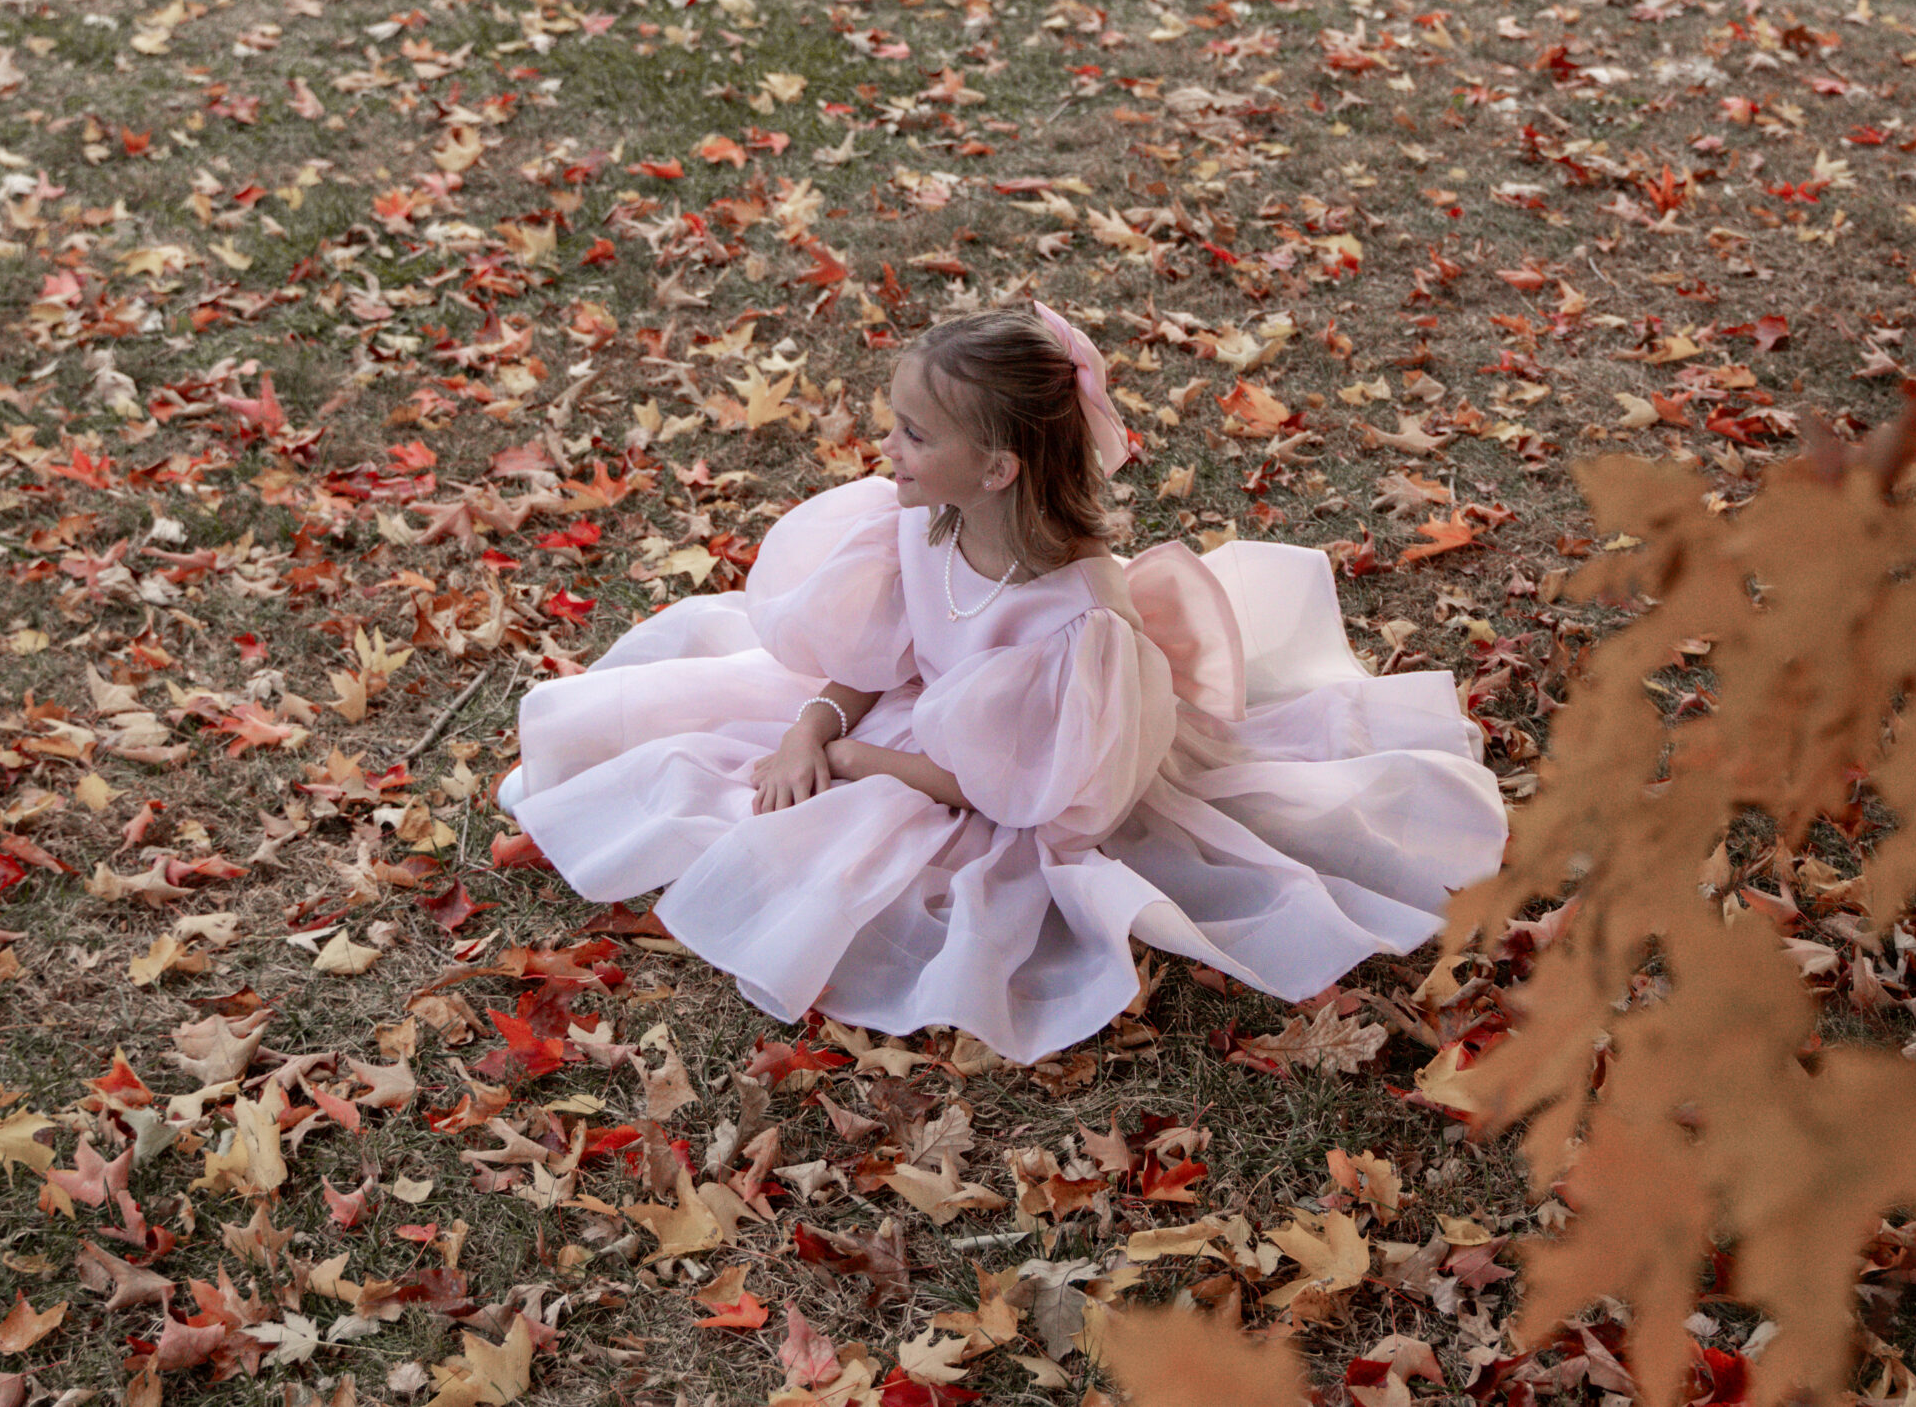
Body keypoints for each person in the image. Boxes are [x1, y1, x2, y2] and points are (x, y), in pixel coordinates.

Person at [494, 301, 1508, 1065]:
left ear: (997, 470)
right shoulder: (913, 523)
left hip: (1040, 765)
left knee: (892, 864)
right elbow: (869, 658)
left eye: (914, 436)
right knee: (691, 760)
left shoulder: (1074, 625)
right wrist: (813, 723)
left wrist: (856, 756)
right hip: (938, 724)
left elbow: (1007, 793)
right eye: (894, 424)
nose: (886, 449)